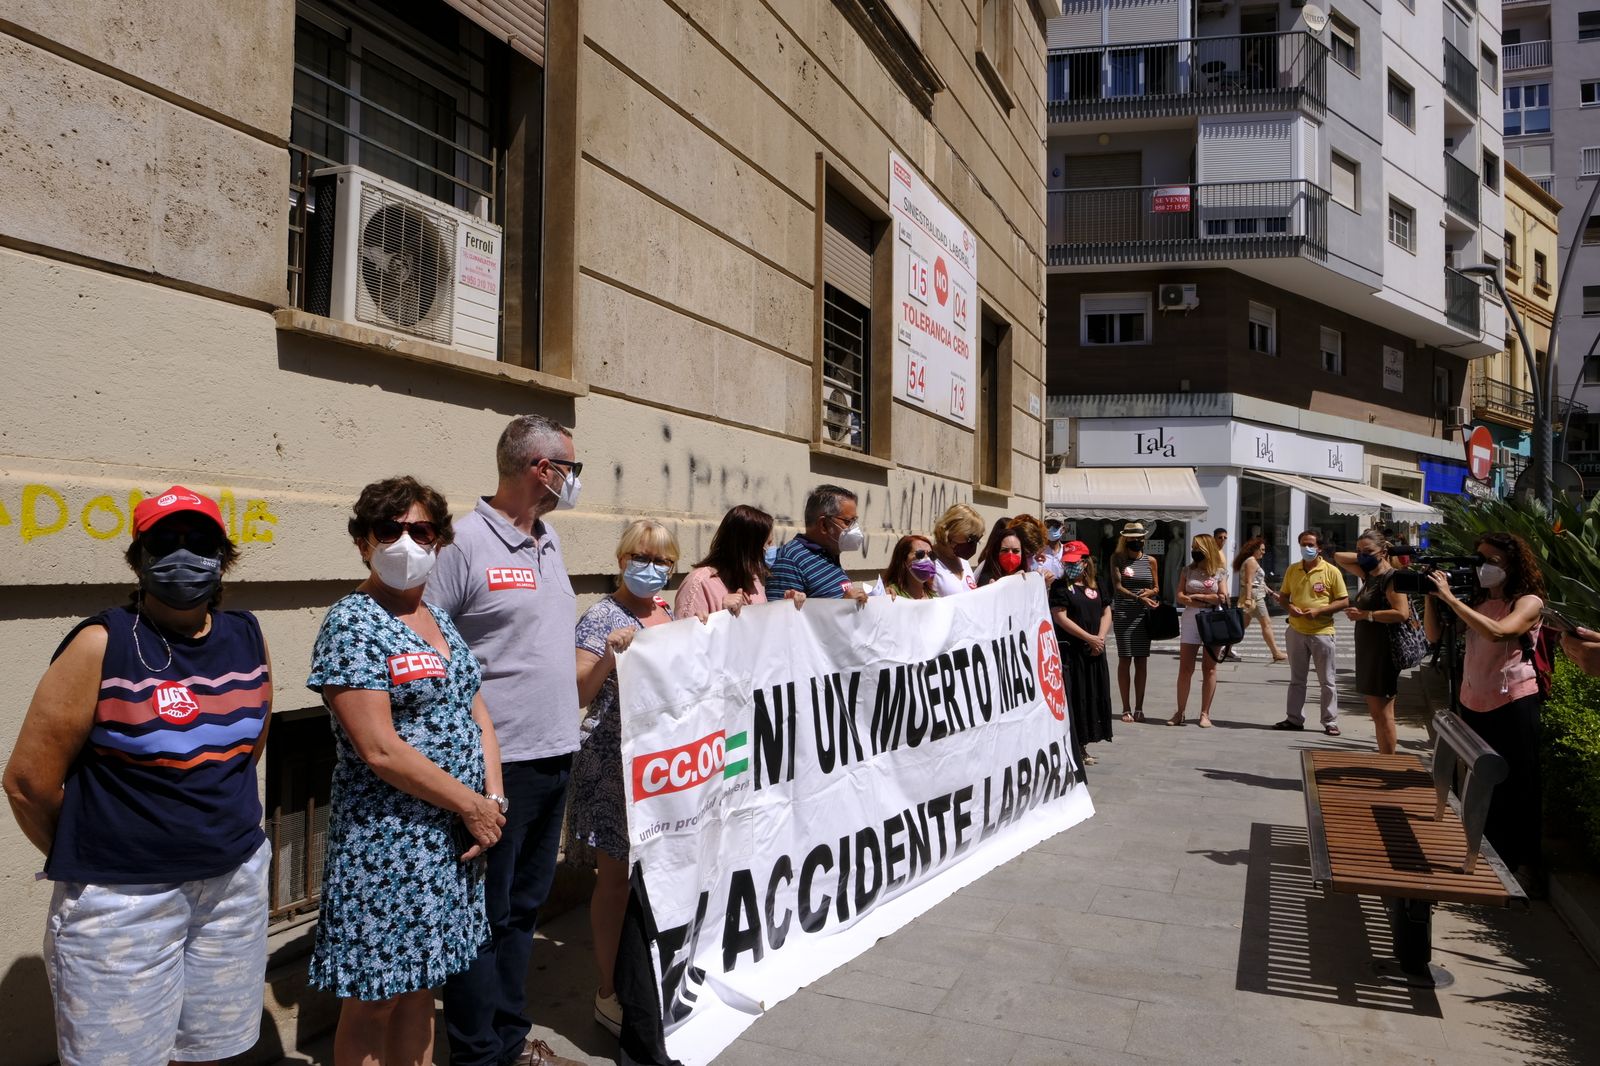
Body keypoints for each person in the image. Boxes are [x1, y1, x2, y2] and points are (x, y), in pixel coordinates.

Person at [4, 487, 272, 1066]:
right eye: (163, 543)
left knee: (209, 1054)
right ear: (138, 557)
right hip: (124, 903)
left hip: (231, 888)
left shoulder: (247, 635)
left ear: (223, 556)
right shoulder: (100, 643)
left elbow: (246, 749)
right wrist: (110, 854)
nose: (183, 556)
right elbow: (27, 782)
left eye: (199, 542)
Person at [307, 477, 506, 1065]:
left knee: (423, 986)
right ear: (363, 542)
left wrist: (492, 800)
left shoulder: (439, 620)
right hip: (388, 843)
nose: (405, 543)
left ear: (439, 541)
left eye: (419, 531)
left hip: (453, 840)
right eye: (388, 531)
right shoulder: (352, 624)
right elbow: (380, 749)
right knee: (376, 1000)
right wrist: (469, 805)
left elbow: (479, 717)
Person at [427, 414, 584, 1066]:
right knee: (481, 922)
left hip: (554, 754)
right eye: (571, 467)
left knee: (522, 912)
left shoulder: (547, 539)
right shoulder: (462, 543)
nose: (575, 480)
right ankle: (479, 1055)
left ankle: (511, 1042)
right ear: (540, 469)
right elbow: (425, 648)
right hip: (496, 767)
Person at [571, 520, 680, 1036]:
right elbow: (578, 693)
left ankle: (650, 978)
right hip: (616, 765)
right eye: (643, 556)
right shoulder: (600, 619)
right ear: (621, 559)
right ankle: (608, 992)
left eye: (664, 561)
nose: (653, 568)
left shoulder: (666, 612)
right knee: (614, 881)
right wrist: (611, 656)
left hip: (664, 765)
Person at [1423, 532, 1546, 877]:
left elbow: (1498, 632)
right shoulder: (1477, 601)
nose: (1483, 567)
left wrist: (1451, 598)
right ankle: (1487, 852)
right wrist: (1435, 599)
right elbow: (1433, 636)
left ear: (1512, 565)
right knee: (1480, 783)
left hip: (1512, 703)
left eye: (1491, 561)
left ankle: (1523, 863)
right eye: (1479, 559)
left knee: (1517, 786)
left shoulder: (1528, 602)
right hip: (1475, 701)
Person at [1336, 529, 1414, 755]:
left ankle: (1388, 762)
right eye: (1359, 551)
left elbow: (1401, 613)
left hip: (1383, 650)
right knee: (1377, 713)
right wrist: (1367, 554)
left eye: (1367, 551)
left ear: (1383, 551)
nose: (1361, 556)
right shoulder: (1369, 575)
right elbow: (1340, 557)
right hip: (1369, 649)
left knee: (1383, 714)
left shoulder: (1391, 577)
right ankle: (1385, 757)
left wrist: (1366, 615)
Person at [1272, 530, 1350, 736]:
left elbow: (1343, 600)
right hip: (1296, 630)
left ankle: (1330, 721)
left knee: (1327, 680)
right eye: (1303, 544)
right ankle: (1294, 718)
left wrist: (1319, 611)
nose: (1307, 548)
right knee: (1297, 679)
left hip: (1322, 632)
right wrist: (1291, 609)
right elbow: (1283, 597)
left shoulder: (1331, 571)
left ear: (1319, 548)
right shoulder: (1293, 570)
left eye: (1311, 545)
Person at [1049, 541, 1113, 763]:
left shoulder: (1098, 585)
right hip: (1072, 652)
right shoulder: (1060, 586)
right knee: (1075, 697)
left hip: (1095, 651)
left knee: (1091, 695)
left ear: (1085, 563)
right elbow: (1060, 616)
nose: (1071, 566)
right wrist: (1088, 638)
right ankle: (1074, 746)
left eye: (1074, 563)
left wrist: (1100, 639)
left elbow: (1106, 611)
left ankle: (1083, 745)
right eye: (1067, 563)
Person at [765, 484, 870, 604]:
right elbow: (782, 618)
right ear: (823, 524)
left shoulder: (828, 554)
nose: (854, 528)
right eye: (847, 522)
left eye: (854, 521)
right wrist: (844, 605)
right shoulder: (790, 561)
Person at [1172, 534, 1229, 728]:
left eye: (1197, 547)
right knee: (1185, 668)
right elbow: (1179, 595)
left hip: (1212, 619)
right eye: (1193, 547)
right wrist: (1194, 599)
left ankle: (1205, 713)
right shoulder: (1187, 570)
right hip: (1190, 619)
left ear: (1207, 549)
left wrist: (1195, 596)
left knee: (1209, 667)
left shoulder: (1219, 572)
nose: (1193, 551)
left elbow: (1222, 597)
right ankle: (1180, 712)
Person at [675, 504, 771, 617]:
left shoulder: (754, 581)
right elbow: (687, 632)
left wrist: (789, 607)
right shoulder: (698, 584)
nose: (771, 548)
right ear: (749, 548)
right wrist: (722, 614)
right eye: (768, 543)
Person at [1110, 522, 1159, 722]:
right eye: (1132, 538)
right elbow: (1117, 586)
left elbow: (1157, 587)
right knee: (1125, 659)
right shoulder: (1117, 559)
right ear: (1125, 539)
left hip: (1143, 616)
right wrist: (1138, 597)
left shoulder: (1151, 561)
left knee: (1141, 660)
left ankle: (1139, 707)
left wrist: (1150, 592)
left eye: (1139, 538)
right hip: (1124, 613)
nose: (1136, 541)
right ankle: (1125, 707)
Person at [1234, 537, 1286, 662]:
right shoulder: (1251, 561)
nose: (1263, 552)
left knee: (1242, 625)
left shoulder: (1251, 561)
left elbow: (1260, 582)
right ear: (1255, 549)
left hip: (1254, 594)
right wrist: (1248, 598)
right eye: (1261, 550)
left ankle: (1226, 648)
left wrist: (1272, 593)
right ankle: (1276, 652)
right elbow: (1248, 582)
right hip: (1254, 597)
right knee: (1266, 623)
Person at [929, 503, 984, 595]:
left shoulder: (964, 562)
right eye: (970, 538)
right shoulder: (929, 560)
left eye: (976, 539)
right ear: (953, 530)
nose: (972, 545)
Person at [872, 534, 940, 598]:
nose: (927, 559)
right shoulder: (891, 595)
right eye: (920, 554)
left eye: (931, 555)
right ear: (903, 560)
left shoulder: (934, 598)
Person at [974, 520, 1024, 587]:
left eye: (1015, 551)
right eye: (1005, 550)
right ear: (996, 552)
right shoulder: (987, 579)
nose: (1010, 555)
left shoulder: (1026, 573)